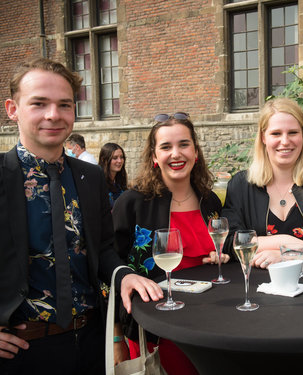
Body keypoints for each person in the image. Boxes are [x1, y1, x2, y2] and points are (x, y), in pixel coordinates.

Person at [0, 58, 162, 375]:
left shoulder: (90, 177)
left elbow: (102, 249)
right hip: (20, 353)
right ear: (12, 109)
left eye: (64, 104)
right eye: (39, 103)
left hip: (89, 342)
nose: (53, 115)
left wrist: (124, 275)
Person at [112, 112, 229, 375]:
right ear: (154, 156)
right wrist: (116, 337)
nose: (176, 154)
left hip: (209, 324)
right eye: (166, 147)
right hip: (156, 329)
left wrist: (219, 258)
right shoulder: (132, 203)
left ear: (195, 152)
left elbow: (217, 251)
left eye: (184, 145)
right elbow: (110, 267)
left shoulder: (209, 202)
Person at [223, 97, 303, 269]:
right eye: (276, 133)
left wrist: (286, 255)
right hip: (256, 286)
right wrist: (287, 241)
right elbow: (230, 241)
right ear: (263, 137)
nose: (285, 141)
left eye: (293, 133)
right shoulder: (240, 185)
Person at [99, 142, 128, 208]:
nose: (120, 161)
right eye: (115, 158)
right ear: (104, 160)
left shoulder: (120, 181)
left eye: (121, 157)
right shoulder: (99, 182)